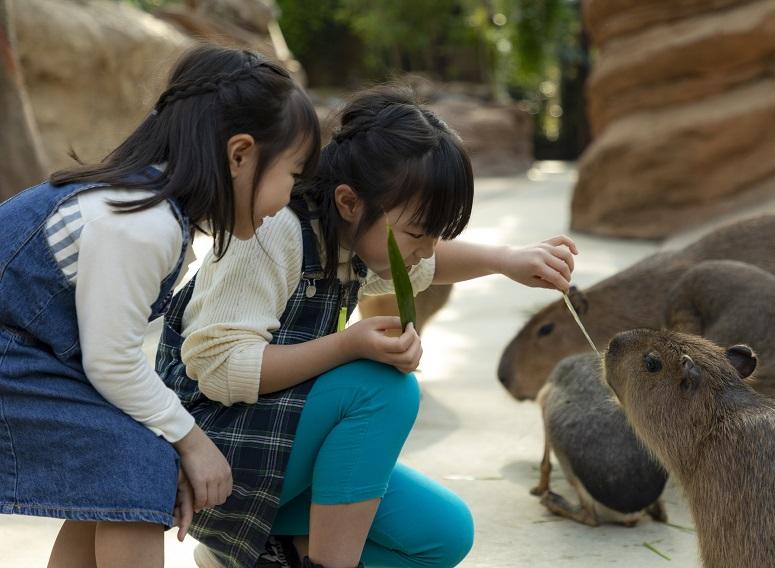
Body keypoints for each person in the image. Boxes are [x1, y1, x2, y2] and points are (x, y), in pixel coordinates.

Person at [156, 88, 577, 568]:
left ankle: (252, 554)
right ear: (349, 201)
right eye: (418, 232)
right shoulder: (276, 232)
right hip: (204, 458)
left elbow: (428, 262)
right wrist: (350, 344)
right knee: (381, 388)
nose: (427, 247)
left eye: (436, 234)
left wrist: (506, 260)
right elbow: (222, 371)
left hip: (273, 451)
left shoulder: (351, 236)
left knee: (442, 534)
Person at [0, 44, 320, 568]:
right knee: (139, 457)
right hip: (11, 353)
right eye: (293, 174)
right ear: (240, 156)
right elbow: (113, 363)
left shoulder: (150, 209)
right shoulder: (142, 223)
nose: (290, 197)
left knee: (121, 455)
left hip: (24, 355)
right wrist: (193, 442)